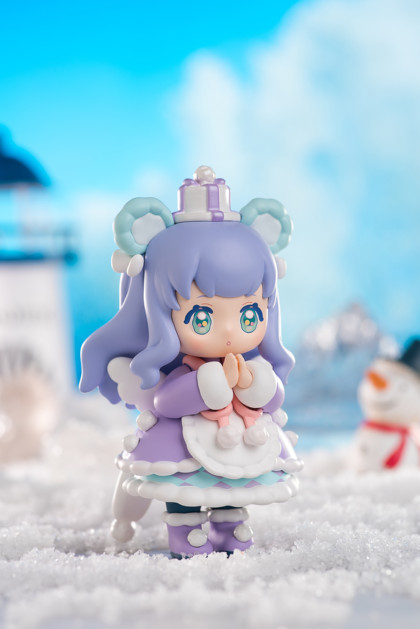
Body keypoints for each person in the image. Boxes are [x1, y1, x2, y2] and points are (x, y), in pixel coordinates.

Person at [80, 166, 302, 557]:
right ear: (158, 311)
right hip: (180, 443)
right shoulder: (183, 369)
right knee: (179, 483)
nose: (230, 331)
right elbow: (166, 401)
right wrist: (209, 384)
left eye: (249, 315)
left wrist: (255, 384)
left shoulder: (250, 365)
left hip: (241, 441)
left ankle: (230, 523)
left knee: (235, 485)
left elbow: (273, 398)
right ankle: (185, 529)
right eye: (202, 317)